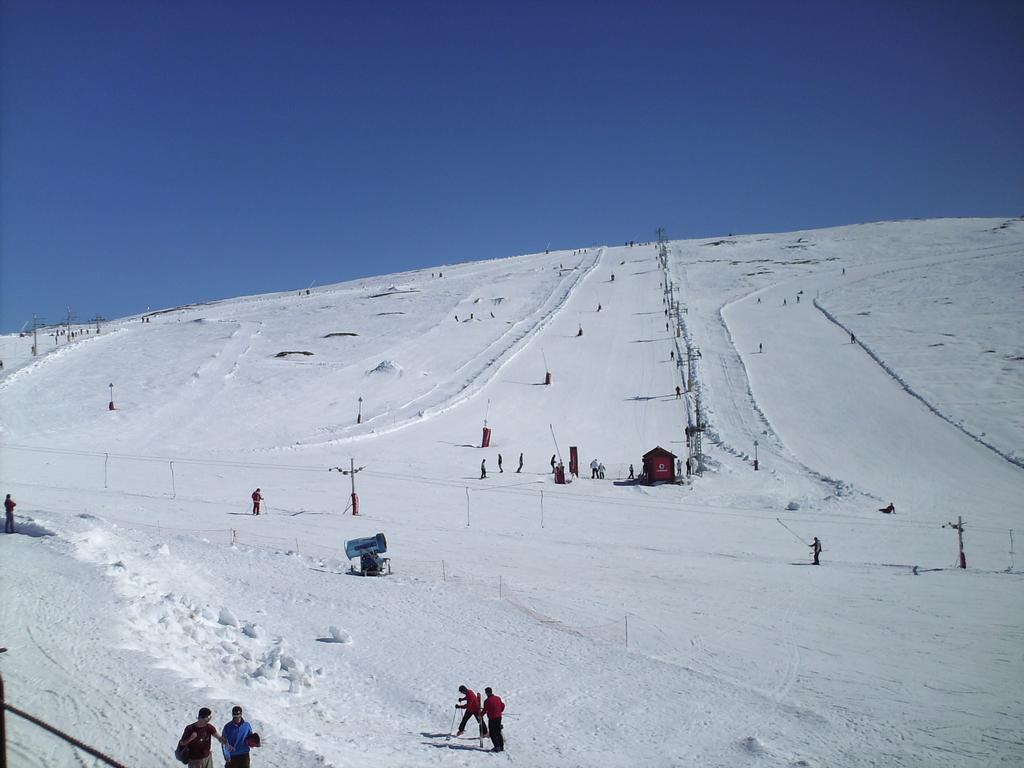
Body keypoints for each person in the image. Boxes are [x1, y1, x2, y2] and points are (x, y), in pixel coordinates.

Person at [483, 687, 505, 752]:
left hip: (492, 718)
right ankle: (501, 746)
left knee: (492, 733)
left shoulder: (486, 701)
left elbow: (484, 710)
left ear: (486, 693)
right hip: (499, 717)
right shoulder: (498, 698)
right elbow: (503, 706)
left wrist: (480, 715)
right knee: (498, 732)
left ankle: (497, 747)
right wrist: (500, 710)